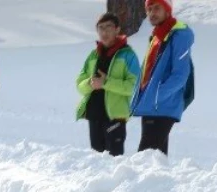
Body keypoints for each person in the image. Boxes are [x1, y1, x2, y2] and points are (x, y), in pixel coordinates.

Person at [130, 0, 195, 155]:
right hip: (152, 106)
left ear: (168, 10)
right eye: (149, 9)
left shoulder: (179, 35)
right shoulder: (158, 36)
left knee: (145, 157)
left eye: (157, 8)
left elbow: (180, 75)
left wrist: (156, 96)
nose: (152, 13)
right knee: (156, 159)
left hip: (162, 105)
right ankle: (162, 180)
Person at [76, 13, 141, 156]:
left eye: (109, 27)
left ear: (117, 30)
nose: (104, 32)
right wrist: (90, 83)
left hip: (115, 117)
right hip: (94, 115)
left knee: (114, 162)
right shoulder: (93, 55)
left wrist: (106, 82)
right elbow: (79, 83)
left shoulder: (128, 55)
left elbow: (134, 87)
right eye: (101, 28)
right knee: (97, 162)